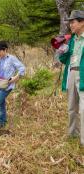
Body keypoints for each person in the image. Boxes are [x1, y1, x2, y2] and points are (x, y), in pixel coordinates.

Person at [57, 10, 84, 146]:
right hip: (72, 73)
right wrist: (62, 51)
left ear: (82, 22)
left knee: (83, 108)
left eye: (73, 22)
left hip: (83, 73)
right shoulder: (72, 39)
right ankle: (73, 133)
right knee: (72, 107)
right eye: (70, 23)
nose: (70, 25)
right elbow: (64, 60)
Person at [0, 41, 25, 134]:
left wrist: (15, 78)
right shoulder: (0, 60)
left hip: (7, 86)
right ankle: (3, 122)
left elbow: (22, 68)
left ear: (5, 49)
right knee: (1, 104)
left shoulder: (11, 59)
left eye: (0, 51)